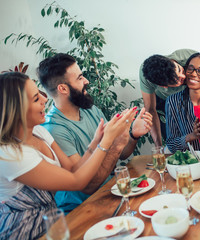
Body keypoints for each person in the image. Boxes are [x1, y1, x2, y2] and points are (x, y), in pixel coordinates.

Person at [0, 72, 136, 239]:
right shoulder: (10, 154)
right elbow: (77, 181)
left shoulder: (39, 132)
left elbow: (73, 169)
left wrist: (96, 141)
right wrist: (107, 141)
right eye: (36, 99)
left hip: (52, 223)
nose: (45, 100)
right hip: (25, 232)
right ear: (15, 110)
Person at [38, 53, 152, 213]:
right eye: (79, 78)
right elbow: (88, 186)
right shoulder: (54, 129)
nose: (86, 81)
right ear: (62, 88)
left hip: (109, 191)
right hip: (80, 209)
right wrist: (117, 145)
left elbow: (119, 154)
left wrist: (133, 135)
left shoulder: (90, 109)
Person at [140, 49, 200, 147]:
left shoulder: (188, 57)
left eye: (180, 70)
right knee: (172, 137)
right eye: (177, 80)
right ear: (165, 86)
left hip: (193, 96)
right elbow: (150, 109)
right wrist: (159, 148)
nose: (183, 76)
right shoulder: (149, 79)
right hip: (163, 100)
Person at [165, 52, 200, 153]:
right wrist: (192, 136)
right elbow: (171, 144)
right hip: (191, 161)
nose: (193, 74)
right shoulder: (173, 101)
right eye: (190, 68)